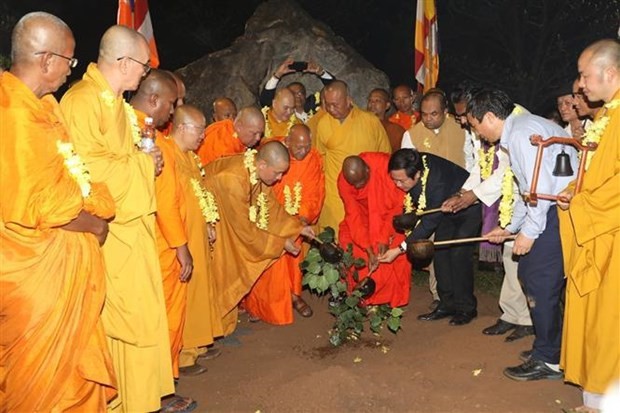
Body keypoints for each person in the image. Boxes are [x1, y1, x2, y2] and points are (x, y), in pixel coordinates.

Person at [0, 12, 116, 411]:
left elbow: (68, 175)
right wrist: (93, 224)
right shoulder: (12, 114)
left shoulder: (43, 107)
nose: (72, 69)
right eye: (69, 60)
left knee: (70, 381)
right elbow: (35, 204)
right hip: (34, 276)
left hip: (59, 271)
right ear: (46, 59)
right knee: (41, 385)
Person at [60, 25, 175, 411]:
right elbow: (88, 170)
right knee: (122, 324)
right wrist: (141, 164)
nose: (145, 73)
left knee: (142, 321)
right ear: (124, 62)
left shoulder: (116, 105)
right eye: (142, 65)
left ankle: (139, 402)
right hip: (110, 234)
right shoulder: (82, 101)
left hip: (133, 231)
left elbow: (123, 160)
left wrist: (145, 160)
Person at [467, 88, 576, 381]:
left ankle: (549, 359)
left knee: (540, 283)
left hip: (555, 212)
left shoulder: (520, 133)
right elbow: (524, 189)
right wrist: (511, 228)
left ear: (489, 117)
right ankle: (550, 347)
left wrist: (528, 232)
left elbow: (541, 188)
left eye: (475, 126)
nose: (477, 134)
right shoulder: (518, 131)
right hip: (548, 210)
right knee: (531, 275)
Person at [558, 38, 620, 413]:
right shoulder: (605, 117)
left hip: (611, 233)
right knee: (595, 317)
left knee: (610, 320)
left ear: (610, 73)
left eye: (584, 75)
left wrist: (585, 203)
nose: (579, 85)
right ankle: (596, 398)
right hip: (596, 229)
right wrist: (572, 190)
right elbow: (595, 173)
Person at [444, 83, 533, 342]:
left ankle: (527, 319)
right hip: (501, 197)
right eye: (460, 116)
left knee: (519, 258)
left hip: (522, 196)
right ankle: (512, 314)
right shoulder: (478, 126)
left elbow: (507, 170)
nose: (462, 121)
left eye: (464, 116)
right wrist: (463, 192)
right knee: (509, 257)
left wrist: (474, 195)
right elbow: (480, 167)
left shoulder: (517, 122)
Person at [203, 140, 316, 335]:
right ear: (262, 165)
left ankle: (215, 329)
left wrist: (298, 228)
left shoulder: (257, 173)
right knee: (222, 271)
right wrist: (281, 243)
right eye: (277, 173)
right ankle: (204, 333)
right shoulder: (233, 179)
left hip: (229, 222)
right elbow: (244, 231)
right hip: (212, 224)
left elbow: (271, 209)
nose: (280, 178)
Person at [380, 149, 481, 325]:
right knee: (441, 255)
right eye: (394, 180)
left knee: (458, 256)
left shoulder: (436, 181)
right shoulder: (415, 166)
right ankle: (446, 304)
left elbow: (428, 223)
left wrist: (399, 249)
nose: (397, 185)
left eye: (401, 181)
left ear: (418, 173)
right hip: (443, 209)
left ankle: (466, 308)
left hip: (468, 209)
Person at [245, 124, 325, 324]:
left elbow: (316, 192)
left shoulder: (313, 159)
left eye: (307, 146)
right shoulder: (272, 151)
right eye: (298, 147)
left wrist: (302, 219)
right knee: (267, 264)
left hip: (297, 219)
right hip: (271, 218)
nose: (303, 151)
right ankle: (259, 304)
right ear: (287, 141)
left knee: (294, 261)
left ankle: (295, 296)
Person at [314, 80, 392, 236]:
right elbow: (319, 160)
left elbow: (385, 159)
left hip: (366, 194)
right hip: (335, 195)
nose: (331, 109)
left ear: (349, 100)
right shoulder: (323, 124)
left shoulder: (370, 122)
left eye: (336, 104)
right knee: (336, 239)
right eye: (327, 104)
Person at [338, 153, 410, 307]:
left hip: (391, 218)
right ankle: (359, 295)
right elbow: (353, 216)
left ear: (368, 170)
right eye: (354, 184)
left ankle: (390, 296)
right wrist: (368, 248)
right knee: (349, 242)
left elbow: (398, 205)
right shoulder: (344, 181)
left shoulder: (386, 167)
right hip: (364, 220)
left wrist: (384, 236)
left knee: (394, 245)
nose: (357, 187)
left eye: (361, 182)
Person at [402, 89, 466, 169]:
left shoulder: (461, 127)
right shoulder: (410, 135)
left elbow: (469, 158)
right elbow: (408, 167)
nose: (428, 118)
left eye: (434, 114)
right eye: (424, 114)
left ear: (445, 111)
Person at [259, 57, 334, 117]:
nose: (297, 95)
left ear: (305, 96)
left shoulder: (315, 108)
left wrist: (321, 72)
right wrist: (277, 75)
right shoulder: (282, 115)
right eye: (292, 93)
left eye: (300, 93)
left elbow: (336, 90)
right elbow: (265, 102)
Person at [197, 106, 264, 165]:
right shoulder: (226, 147)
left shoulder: (227, 124)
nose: (258, 138)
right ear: (239, 127)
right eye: (254, 133)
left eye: (260, 134)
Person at [367, 88, 406, 152]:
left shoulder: (395, 130)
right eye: (370, 100)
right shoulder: (361, 124)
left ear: (387, 105)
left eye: (377, 101)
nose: (372, 104)